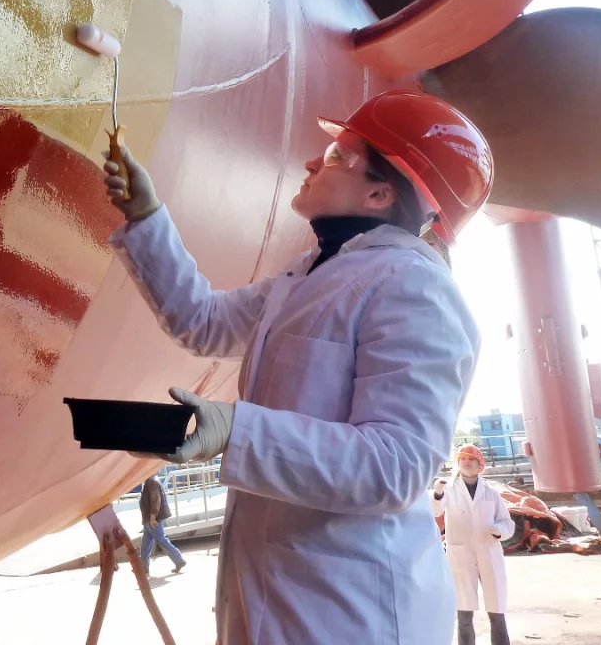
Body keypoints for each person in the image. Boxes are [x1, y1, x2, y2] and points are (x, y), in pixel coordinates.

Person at [102, 89, 493, 645]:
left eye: (337, 157)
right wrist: (145, 216)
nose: (313, 161)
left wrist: (239, 431)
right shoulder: (306, 276)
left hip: (355, 614)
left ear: (381, 192)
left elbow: (396, 465)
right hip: (275, 592)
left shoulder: (415, 287)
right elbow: (202, 321)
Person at [432, 444, 516, 645]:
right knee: (464, 612)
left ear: (480, 465)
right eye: (463, 458)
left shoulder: (491, 492)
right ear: (457, 463)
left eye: (472, 459)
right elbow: (436, 511)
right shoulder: (448, 489)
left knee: (497, 611)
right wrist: (437, 494)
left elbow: (508, 522)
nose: (467, 462)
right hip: (461, 554)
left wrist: (500, 530)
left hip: (489, 552)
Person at [139, 472, 186, 575]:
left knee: (161, 540)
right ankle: (143, 568)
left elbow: (156, 499)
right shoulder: (151, 481)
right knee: (146, 544)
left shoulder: (151, 482)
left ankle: (179, 560)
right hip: (149, 518)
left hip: (152, 518)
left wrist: (152, 516)